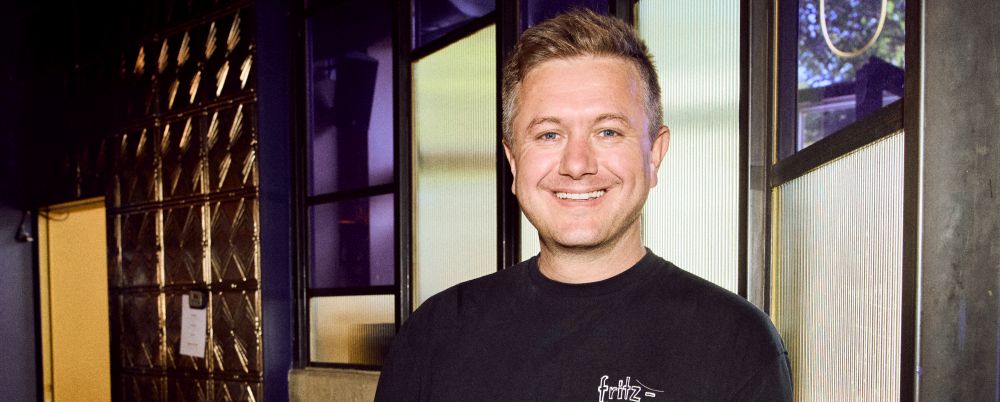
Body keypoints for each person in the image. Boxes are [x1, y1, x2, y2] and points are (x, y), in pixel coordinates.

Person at [375, 9, 792, 401]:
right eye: (549, 135)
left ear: (654, 154)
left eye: (608, 132)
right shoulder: (435, 334)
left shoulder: (737, 342)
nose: (577, 165)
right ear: (514, 161)